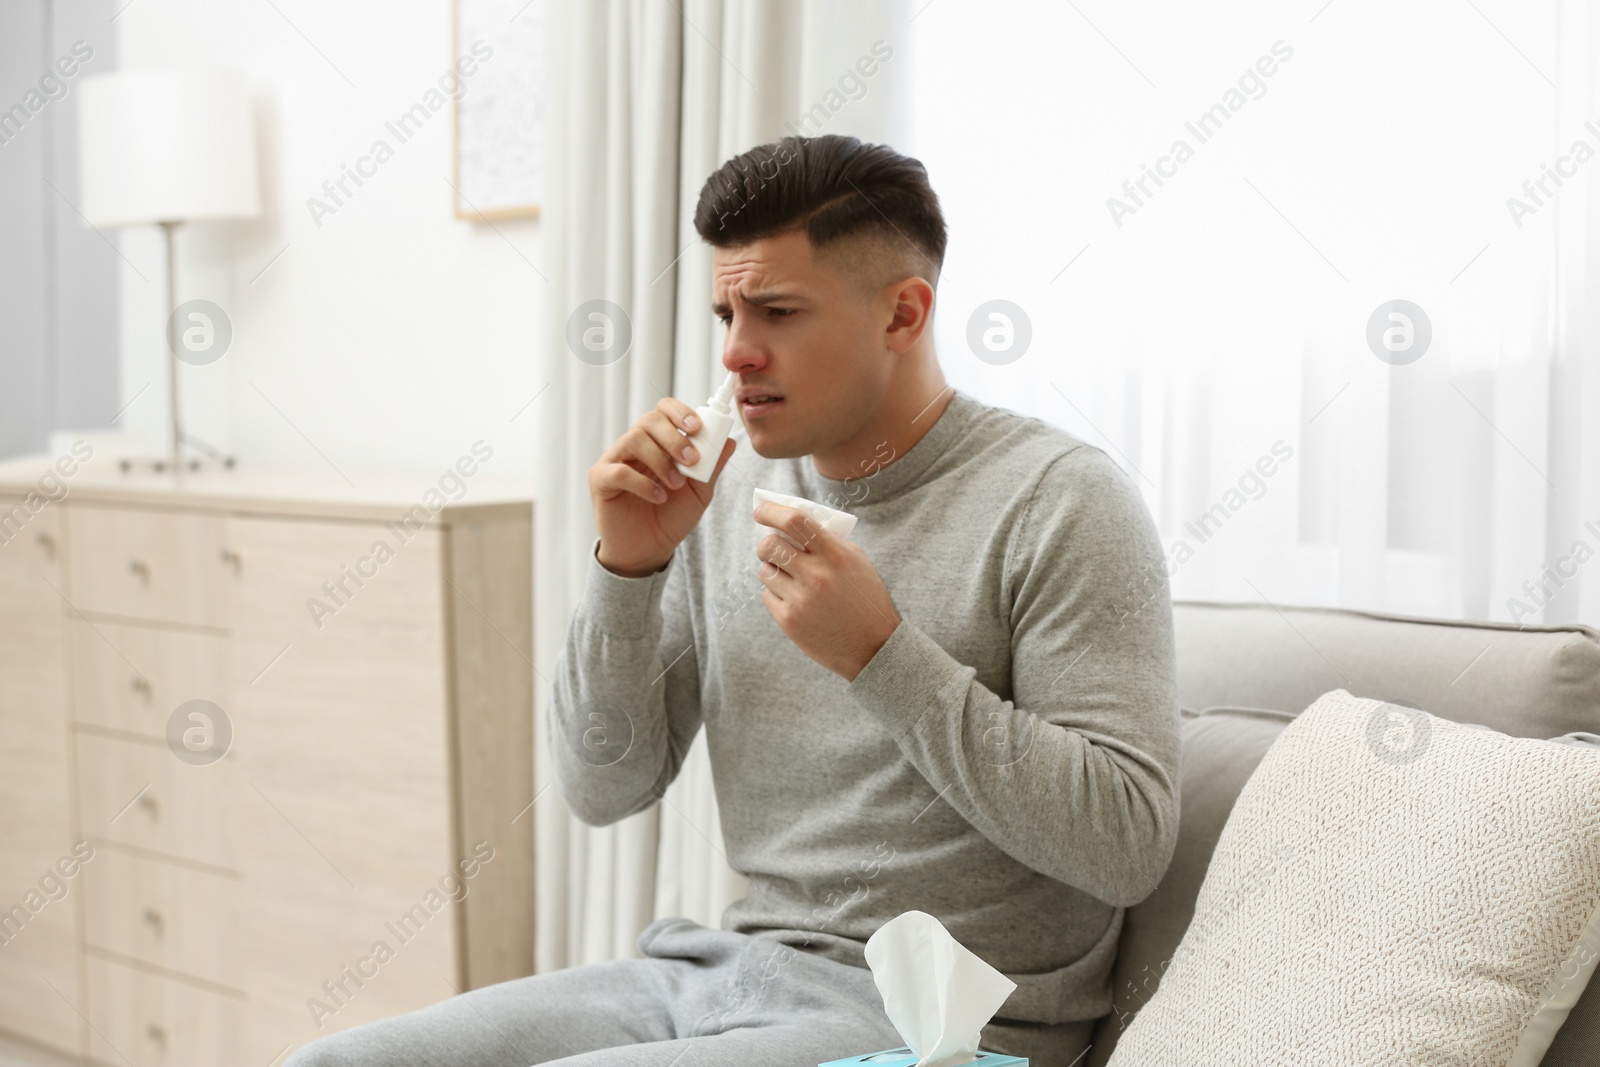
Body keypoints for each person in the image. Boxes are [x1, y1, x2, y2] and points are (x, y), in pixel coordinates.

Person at [286, 133, 1180, 1067]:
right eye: (726, 313)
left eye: (778, 312)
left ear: (904, 315)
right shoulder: (721, 498)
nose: (736, 354)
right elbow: (603, 788)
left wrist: (881, 655)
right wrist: (626, 572)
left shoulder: (1063, 502)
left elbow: (1126, 843)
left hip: (937, 1025)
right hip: (723, 974)